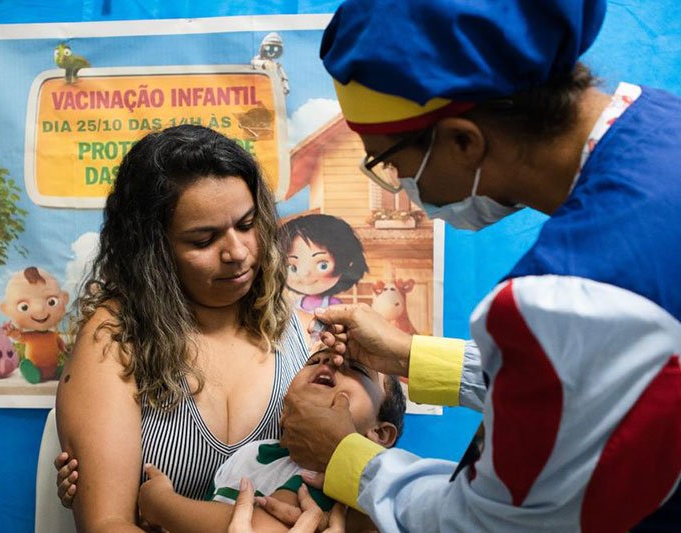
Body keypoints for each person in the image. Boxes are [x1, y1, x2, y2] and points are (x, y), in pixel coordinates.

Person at [278, 1, 681, 532]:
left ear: (463, 141)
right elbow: (596, 384)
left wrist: (345, 458)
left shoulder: (573, 292)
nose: (400, 186)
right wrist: (409, 356)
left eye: (392, 164)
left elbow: (493, 524)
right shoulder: (660, 125)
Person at [55, 124, 310, 531]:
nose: (237, 252)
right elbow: (107, 525)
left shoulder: (285, 318)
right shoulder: (116, 338)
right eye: (204, 240)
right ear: (153, 251)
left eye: (246, 224)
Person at [59, 343, 406, 533]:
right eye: (316, 358)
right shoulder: (254, 455)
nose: (329, 363)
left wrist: (161, 504)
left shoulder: (330, 479)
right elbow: (214, 514)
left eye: (356, 369)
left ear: (378, 434)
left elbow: (260, 528)